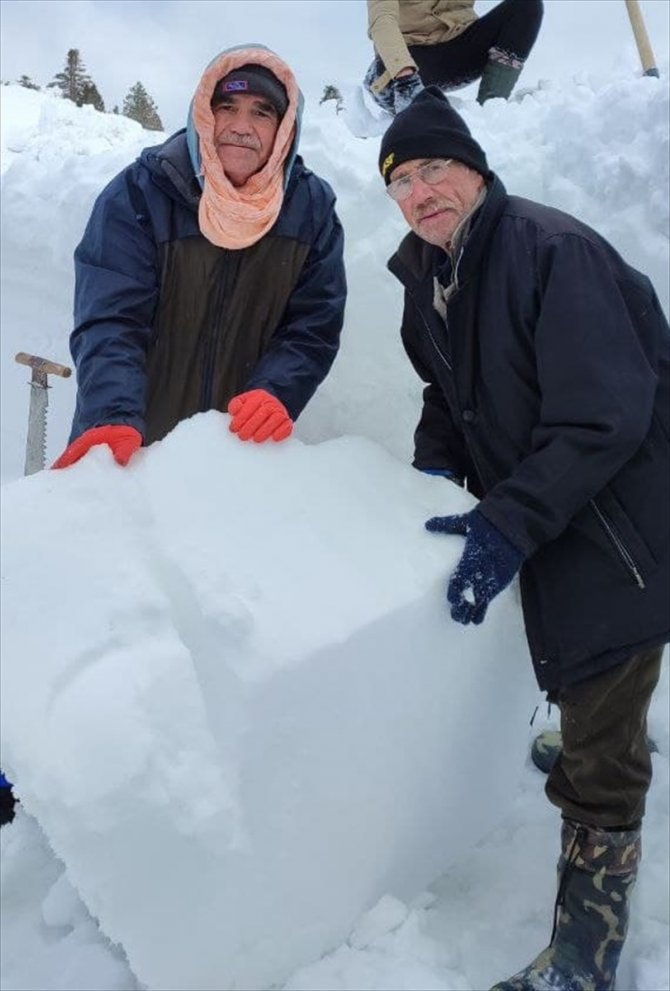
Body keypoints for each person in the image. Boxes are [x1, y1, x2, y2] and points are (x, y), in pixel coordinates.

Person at [378, 86, 669, 990]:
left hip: (623, 527)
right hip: (559, 512)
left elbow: (599, 416)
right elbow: (445, 396)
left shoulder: (551, 251)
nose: (422, 192)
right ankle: (598, 735)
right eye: (402, 181)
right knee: (586, 670)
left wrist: (507, 518)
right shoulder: (431, 275)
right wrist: (429, 470)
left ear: (475, 168)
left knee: (602, 702)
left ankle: (586, 953)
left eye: (436, 169)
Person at [53, 45, 346, 469]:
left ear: (285, 128)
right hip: (127, 443)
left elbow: (313, 324)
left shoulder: (310, 209)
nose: (241, 127)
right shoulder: (141, 193)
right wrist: (112, 412)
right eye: (227, 107)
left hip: (235, 449)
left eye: (262, 113)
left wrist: (276, 390)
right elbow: (112, 318)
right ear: (203, 116)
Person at [364, 0, 544, 115]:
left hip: (459, 50)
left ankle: (491, 110)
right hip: (408, 61)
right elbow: (382, 19)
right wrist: (405, 77)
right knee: (387, 74)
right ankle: (408, 94)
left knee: (526, 5)